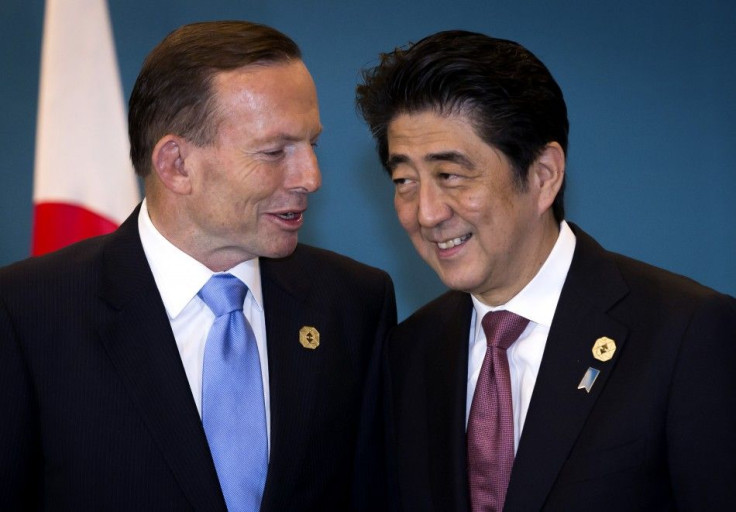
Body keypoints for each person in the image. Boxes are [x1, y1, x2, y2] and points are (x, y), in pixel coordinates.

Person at [0, 21, 396, 511]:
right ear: (176, 165)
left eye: (311, 144)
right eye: (275, 152)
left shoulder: (353, 302)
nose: (310, 177)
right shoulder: (27, 312)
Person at [356, 30, 736, 511]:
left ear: (543, 176)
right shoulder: (409, 351)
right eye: (404, 181)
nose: (426, 212)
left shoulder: (684, 332)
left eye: (450, 175)